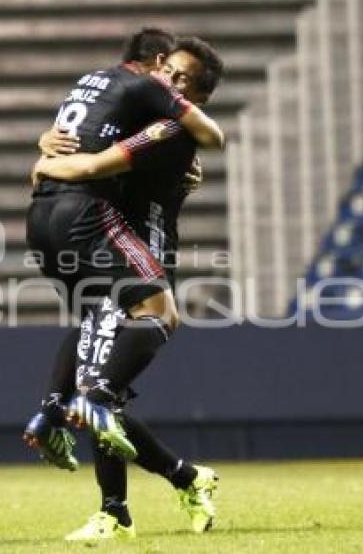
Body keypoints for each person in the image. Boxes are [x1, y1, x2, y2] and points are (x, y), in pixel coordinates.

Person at [25, 37, 225, 540]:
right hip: (109, 250)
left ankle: (121, 504)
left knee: (99, 396)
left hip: (142, 253)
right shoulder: (143, 113)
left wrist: (45, 163)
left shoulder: (168, 130)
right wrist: (48, 138)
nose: (170, 83)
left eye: (183, 80)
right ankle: (170, 485)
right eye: (169, 72)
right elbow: (89, 132)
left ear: (197, 97)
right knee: (98, 402)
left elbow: (89, 167)